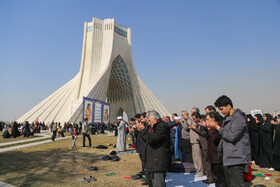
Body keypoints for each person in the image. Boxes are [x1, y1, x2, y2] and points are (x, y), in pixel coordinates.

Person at [208, 95, 251, 187]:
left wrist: (217, 127)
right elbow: (224, 136)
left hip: (236, 158)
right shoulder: (228, 119)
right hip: (229, 157)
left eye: (222, 109)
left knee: (236, 184)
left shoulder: (238, 118)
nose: (221, 112)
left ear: (229, 106)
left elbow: (232, 136)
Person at [136, 110, 171, 187]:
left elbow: (152, 139)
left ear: (155, 119)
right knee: (154, 182)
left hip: (158, 161)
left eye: (149, 121)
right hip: (154, 161)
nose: (148, 123)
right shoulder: (155, 126)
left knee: (158, 183)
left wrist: (143, 130)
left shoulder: (162, 127)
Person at [206, 111, 227, 187]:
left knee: (221, 179)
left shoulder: (220, 126)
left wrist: (211, 129)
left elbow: (215, 139)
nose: (207, 122)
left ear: (213, 119)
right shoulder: (213, 128)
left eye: (208, 120)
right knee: (216, 179)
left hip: (218, 157)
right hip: (213, 156)